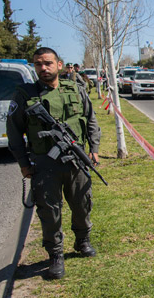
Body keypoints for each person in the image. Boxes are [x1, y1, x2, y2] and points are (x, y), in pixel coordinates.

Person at [6, 47, 101, 280]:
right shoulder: (25, 95)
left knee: (81, 204)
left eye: (48, 63)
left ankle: (82, 241)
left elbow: (90, 120)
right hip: (44, 163)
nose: (43, 68)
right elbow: (14, 132)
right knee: (50, 211)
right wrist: (23, 163)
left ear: (59, 65)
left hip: (76, 160)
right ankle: (55, 254)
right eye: (38, 64)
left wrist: (94, 149)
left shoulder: (76, 89)